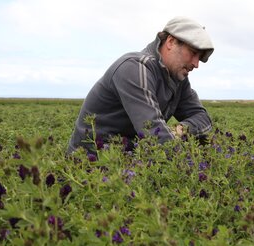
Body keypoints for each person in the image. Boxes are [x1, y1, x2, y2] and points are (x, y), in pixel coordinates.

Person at [68, 16, 214, 155]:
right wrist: (186, 166)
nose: (196, 64)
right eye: (193, 53)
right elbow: (154, 133)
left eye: (199, 58)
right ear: (170, 42)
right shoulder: (135, 68)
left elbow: (203, 118)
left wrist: (180, 129)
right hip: (90, 167)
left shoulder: (177, 79)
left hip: (129, 161)